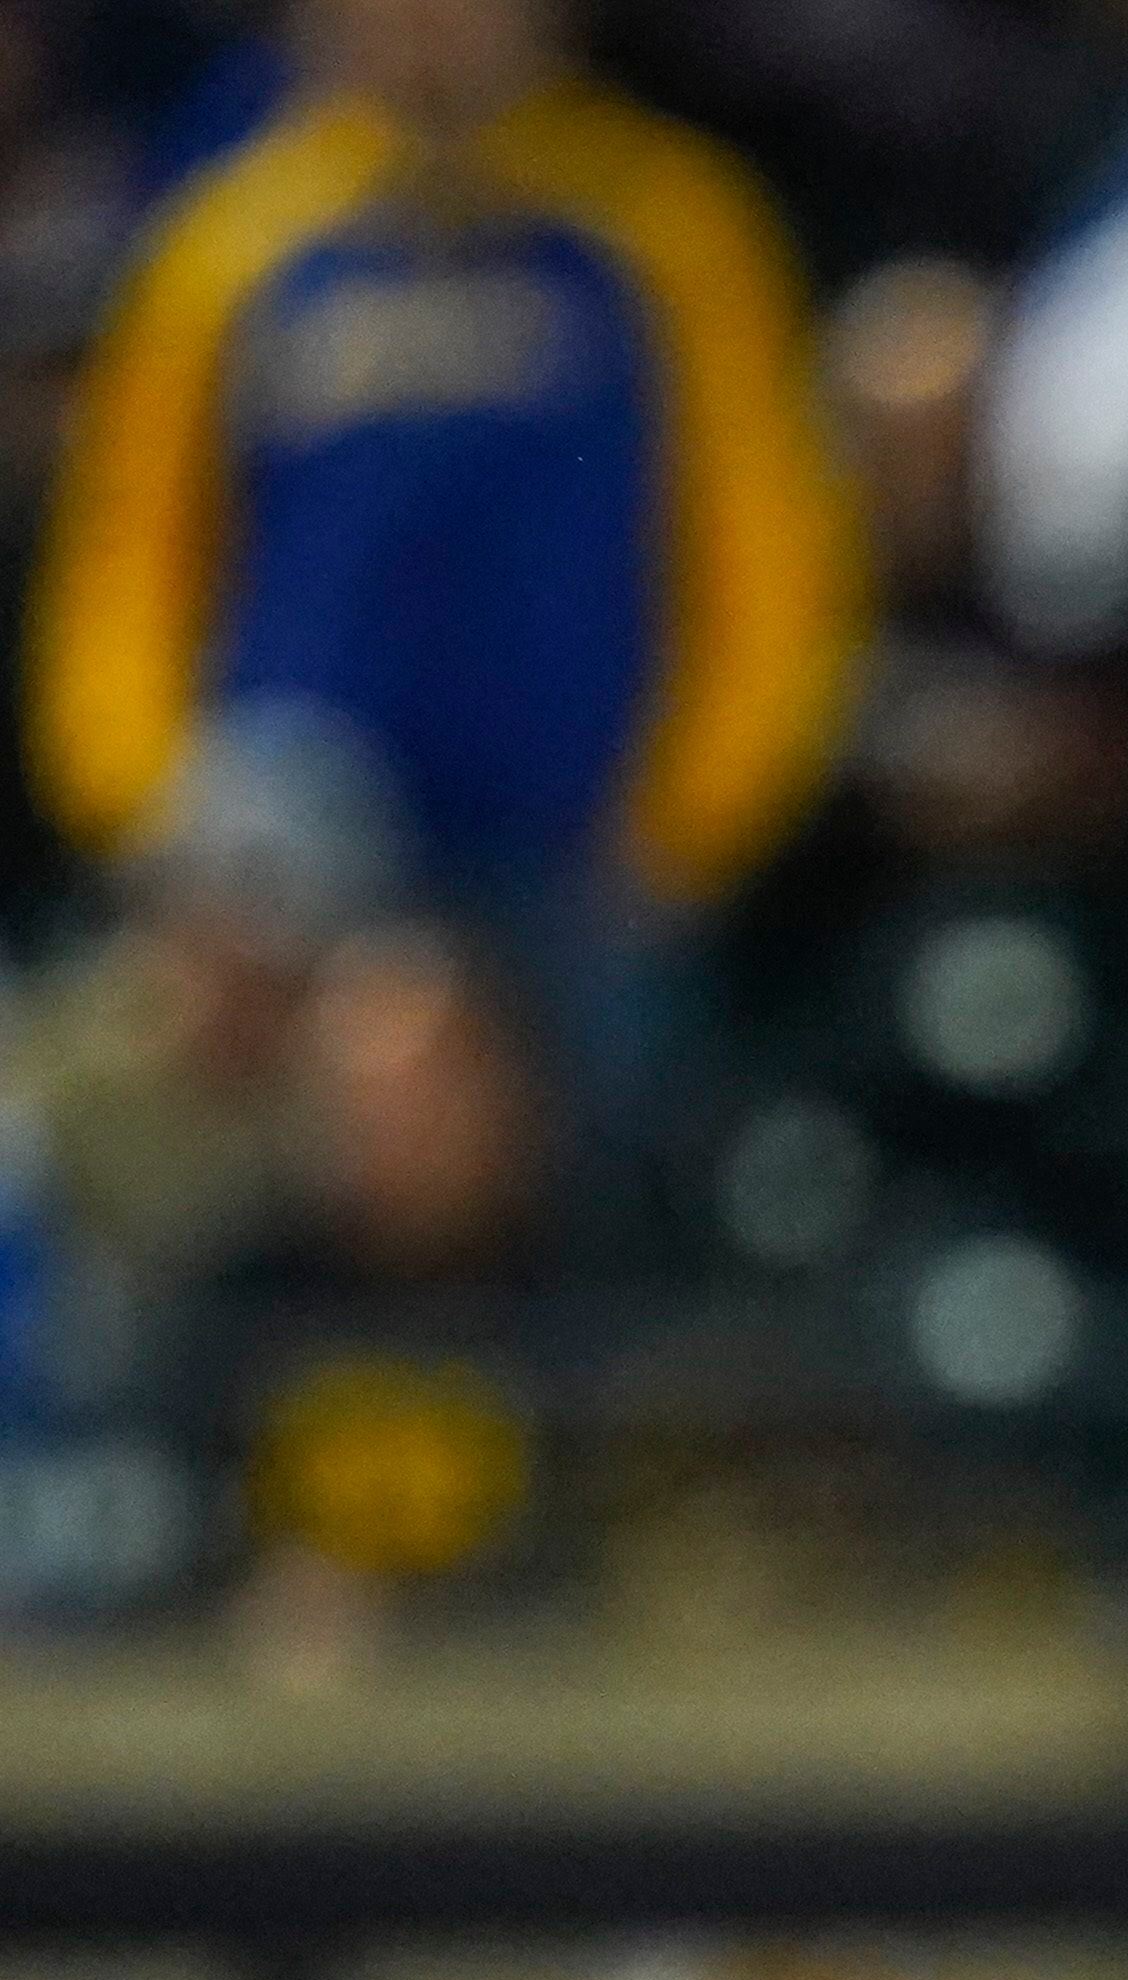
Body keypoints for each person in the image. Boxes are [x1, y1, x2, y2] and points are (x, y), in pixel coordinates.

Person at [26, 0, 866, 1179]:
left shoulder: (667, 224)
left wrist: (685, 829)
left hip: (578, 877)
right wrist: (157, 817)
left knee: (587, 1241)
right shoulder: (231, 242)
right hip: (286, 888)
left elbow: (777, 561)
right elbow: (123, 565)